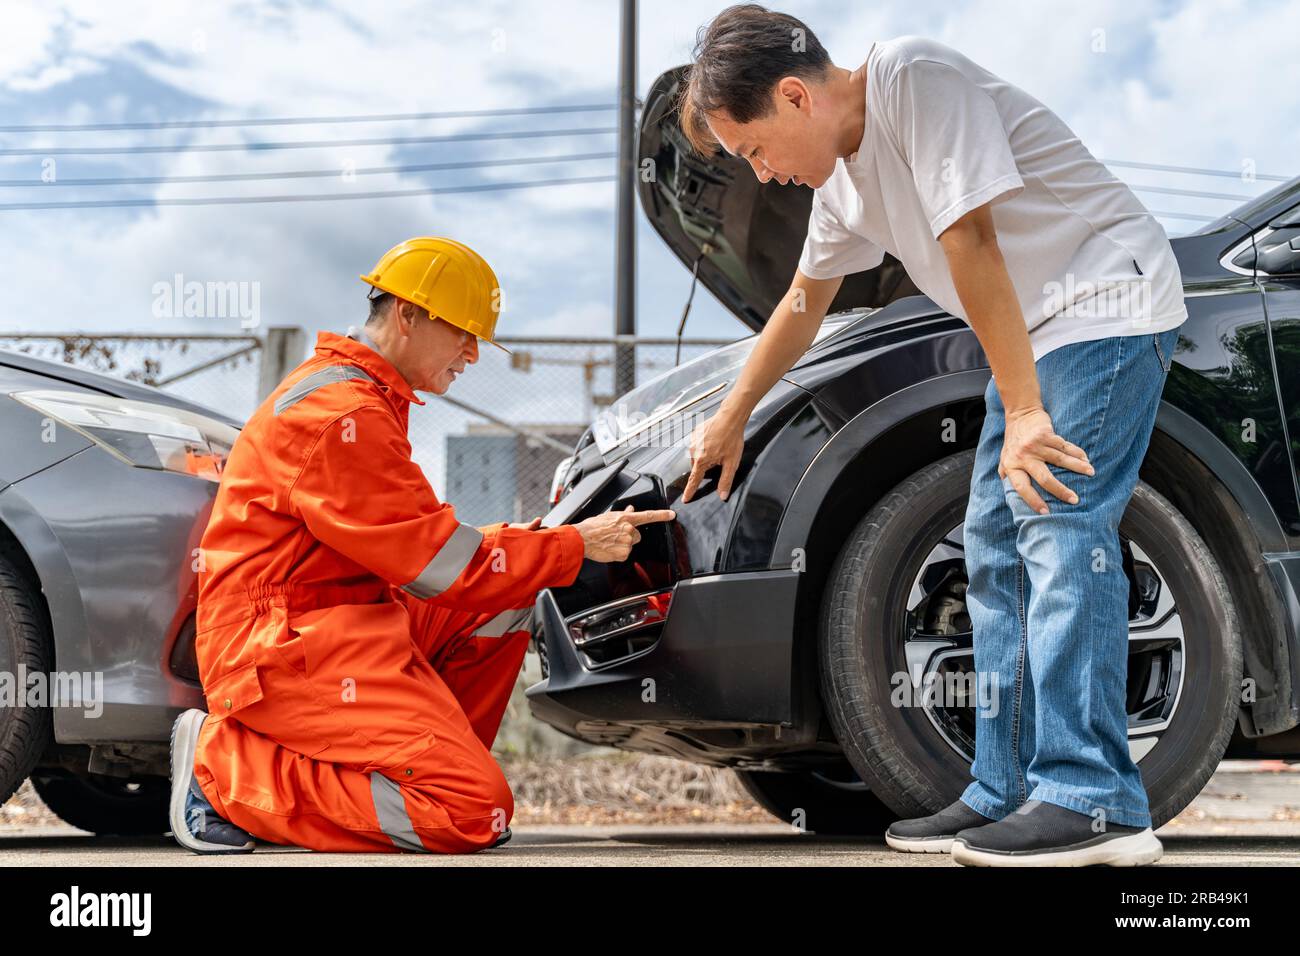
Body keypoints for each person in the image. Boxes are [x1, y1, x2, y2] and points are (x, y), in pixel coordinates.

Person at [677, 5, 1185, 866]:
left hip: (1105, 302)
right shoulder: (840, 185)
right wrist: (729, 418)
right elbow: (803, 306)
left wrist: (1024, 413)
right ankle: (1006, 790)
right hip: (1036, 334)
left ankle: (1094, 801)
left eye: (754, 150)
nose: (761, 176)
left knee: (1059, 529)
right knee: (991, 547)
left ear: (795, 96)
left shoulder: (914, 80)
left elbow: (970, 238)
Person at [169, 236, 675, 854]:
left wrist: (549, 546)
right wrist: (572, 547)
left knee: (509, 595)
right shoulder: (339, 415)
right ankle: (224, 771)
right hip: (282, 645)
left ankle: (432, 770)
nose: (472, 354)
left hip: (335, 622)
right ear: (407, 315)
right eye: (463, 333)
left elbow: (434, 550)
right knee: (470, 814)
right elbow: (439, 566)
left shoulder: (364, 399)